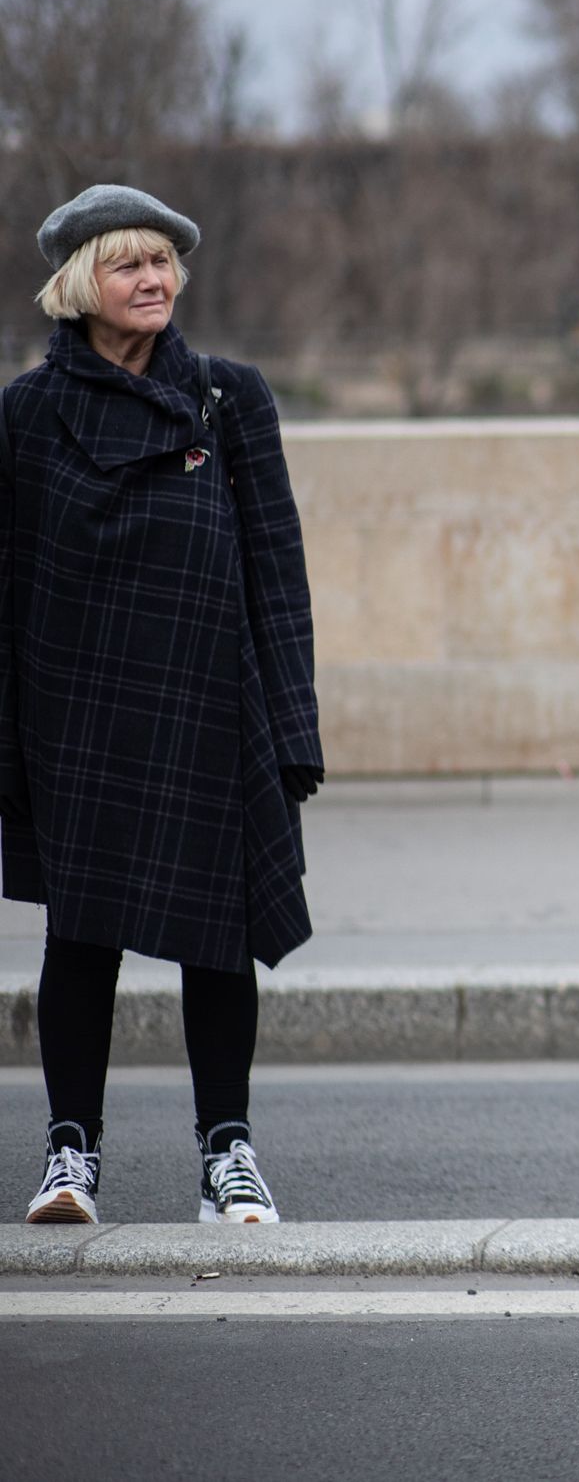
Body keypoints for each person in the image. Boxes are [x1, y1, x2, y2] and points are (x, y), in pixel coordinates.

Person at [12, 185, 322, 1229]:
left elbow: (277, 572)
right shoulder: (25, 414)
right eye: (125, 263)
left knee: (218, 935)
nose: (151, 279)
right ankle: (69, 1155)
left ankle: (226, 1151)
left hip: (207, 704)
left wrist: (292, 729)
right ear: (76, 286)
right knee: (80, 935)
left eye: (162, 262)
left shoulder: (230, 400)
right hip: (78, 713)